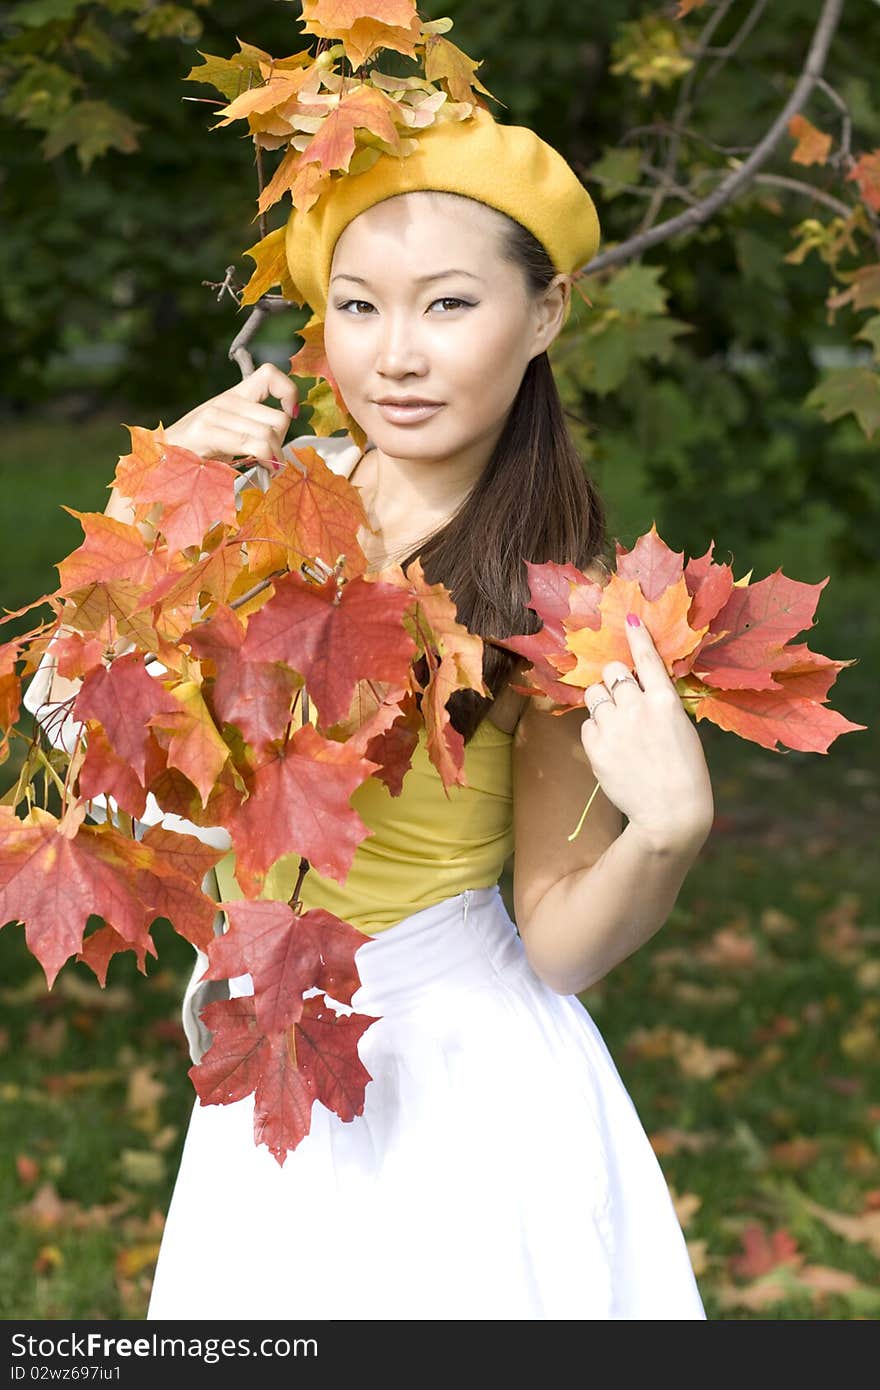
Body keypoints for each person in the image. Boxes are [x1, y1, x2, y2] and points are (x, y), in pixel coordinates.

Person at [24, 102, 714, 1321]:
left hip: (453, 1087)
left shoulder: (559, 601)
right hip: (266, 1058)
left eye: (448, 303)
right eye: (357, 305)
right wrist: (151, 513)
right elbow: (82, 726)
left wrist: (663, 835)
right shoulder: (262, 498)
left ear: (543, 312)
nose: (394, 354)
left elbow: (558, 941)